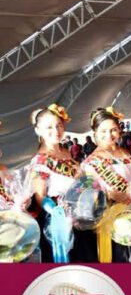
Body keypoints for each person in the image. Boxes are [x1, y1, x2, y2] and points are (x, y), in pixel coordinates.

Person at [30, 105, 97, 263]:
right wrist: (58, 211)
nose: (56, 130)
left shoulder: (66, 152)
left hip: (79, 214)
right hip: (59, 220)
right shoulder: (40, 159)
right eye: (49, 127)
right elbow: (40, 197)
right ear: (38, 130)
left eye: (59, 125)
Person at [81, 107, 131, 263]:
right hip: (113, 216)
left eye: (113, 130)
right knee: (122, 257)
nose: (109, 135)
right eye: (103, 131)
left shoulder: (125, 152)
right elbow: (89, 191)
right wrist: (109, 194)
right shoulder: (92, 161)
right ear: (95, 133)